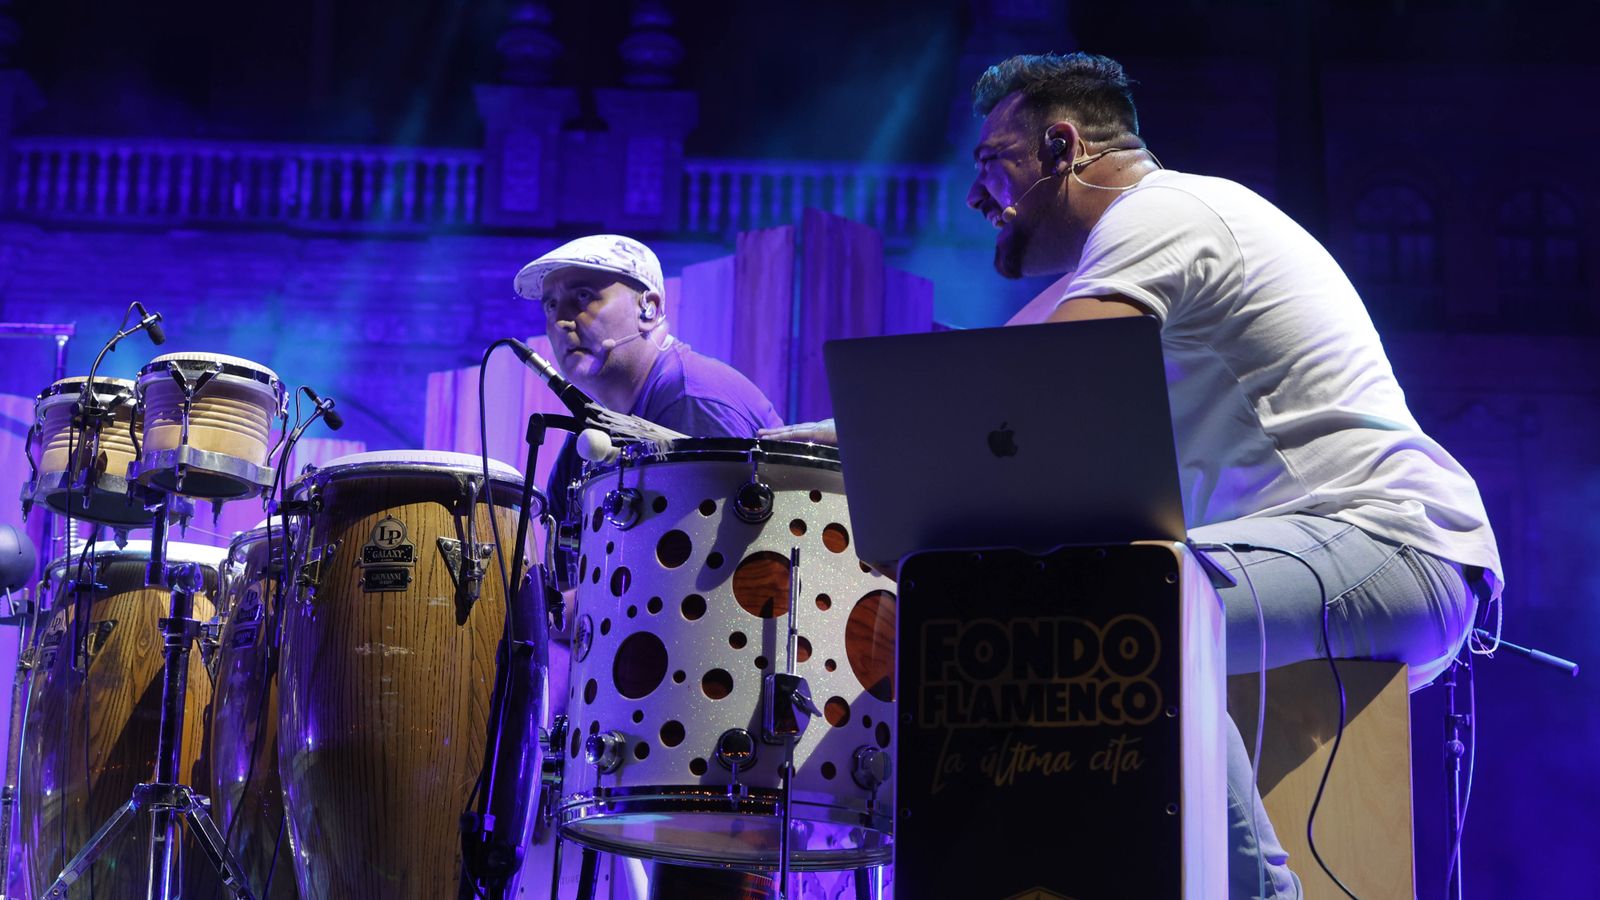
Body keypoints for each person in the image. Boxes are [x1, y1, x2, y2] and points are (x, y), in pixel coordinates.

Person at [766, 53, 1501, 899]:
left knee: (1130, 603)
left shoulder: (1165, 212)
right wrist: (774, 445)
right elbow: (970, 401)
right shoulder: (1111, 267)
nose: (977, 198)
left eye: (990, 164)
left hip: (1394, 541)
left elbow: (1027, 391)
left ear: (1061, 146)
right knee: (1081, 610)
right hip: (1310, 556)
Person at [512, 233, 785, 899]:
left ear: (650, 306)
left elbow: (720, 590)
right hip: (673, 721)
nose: (562, 320)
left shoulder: (692, 400)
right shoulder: (590, 439)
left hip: (724, 728)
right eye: (551, 307)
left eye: (583, 297)